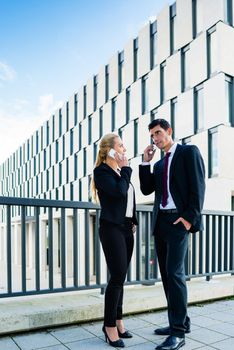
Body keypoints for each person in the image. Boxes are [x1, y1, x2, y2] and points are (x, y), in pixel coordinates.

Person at [139, 119, 205, 350]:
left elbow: (198, 186)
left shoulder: (188, 152)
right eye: (152, 136)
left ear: (169, 131)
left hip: (179, 221)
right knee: (167, 275)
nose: (155, 139)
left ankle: (178, 334)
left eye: (158, 133)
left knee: (175, 274)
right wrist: (145, 163)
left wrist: (189, 219)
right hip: (161, 222)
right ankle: (180, 321)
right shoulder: (157, 164)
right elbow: (147, 189)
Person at [92, 133, 138, 348]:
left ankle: (118, 320)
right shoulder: (101, 172)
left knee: (121, 277)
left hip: (127, 228)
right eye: (120, 145)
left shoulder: (119, 172)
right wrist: (127, 169)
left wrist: (134, 219)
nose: (124, 149)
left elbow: (128, 199)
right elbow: (119, 193)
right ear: (109, 149)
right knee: (117, 276)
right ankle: (109, 326)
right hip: (111, 229)